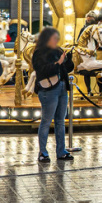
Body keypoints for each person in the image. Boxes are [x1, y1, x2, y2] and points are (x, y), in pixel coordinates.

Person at [31, 27, 74, 163]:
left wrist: (68, 60)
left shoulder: (58, 50)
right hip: (48, 90)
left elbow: (67, 69)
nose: (56, 41)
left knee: (60, 121)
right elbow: (41, 71)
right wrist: (58, 63)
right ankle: (43, 152)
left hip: (61, 87)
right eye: (53, 38)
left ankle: (61, 151)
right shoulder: (39, 53)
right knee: (46, 121)